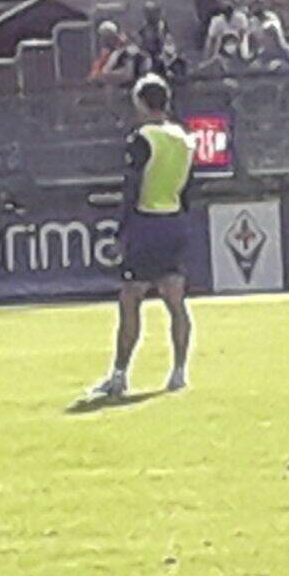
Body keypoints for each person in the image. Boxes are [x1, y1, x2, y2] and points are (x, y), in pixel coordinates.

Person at [88, 75, 193, 399]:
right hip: (174, 219)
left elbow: (132, 187)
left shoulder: (141, 139)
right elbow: (188, 187)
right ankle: (178, 371)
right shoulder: (184, 138)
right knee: (175, 300)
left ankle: (119, 375)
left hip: (147, 222)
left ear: (141, 104)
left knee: (131, 299)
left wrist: (122, 231)